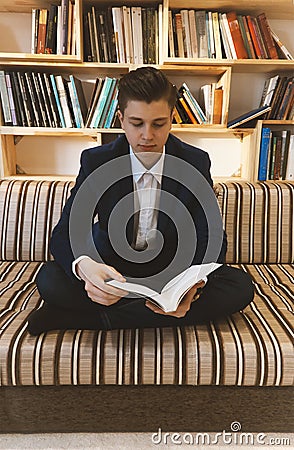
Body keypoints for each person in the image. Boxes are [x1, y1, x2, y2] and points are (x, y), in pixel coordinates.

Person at [28, 67, 254, 335]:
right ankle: (146, 313)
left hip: (171, 274)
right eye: (137, 124)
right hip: (113, 268)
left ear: (172, 119)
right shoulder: (97, 161)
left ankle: (95, 320)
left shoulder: (195, 162)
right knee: (49, 280)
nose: (147, 135)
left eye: (158, 124)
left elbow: (212, 236)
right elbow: (64, 233)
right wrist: (87, 269)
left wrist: (191, 288)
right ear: (121, 119)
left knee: (239, 287)